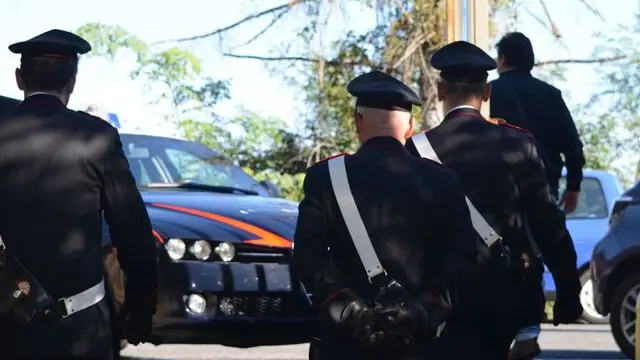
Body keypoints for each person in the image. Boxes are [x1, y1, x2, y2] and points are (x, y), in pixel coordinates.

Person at [405, 40, 583, 360]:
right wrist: (568, 291)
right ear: (487, 93)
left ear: (441, 91)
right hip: (503, 295)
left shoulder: (417, 150)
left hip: (439, 299)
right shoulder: (518, 144)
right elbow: (547, 224)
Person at [294, 70, 480, 360]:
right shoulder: (443, 180)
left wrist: (346, 308)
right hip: (419, 343)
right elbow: (462, 258)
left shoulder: (326, 176)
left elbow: (309, 256)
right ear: (410, 128)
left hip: (347, 343)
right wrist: (423, 310)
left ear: (357, 122)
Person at [0, 29, 158, 360]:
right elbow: (132, 231)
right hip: (79, 326)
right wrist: (141, 305)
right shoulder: (97, 137)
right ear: (72, 81)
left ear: (19, 78)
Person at [489, 32, 585, 214]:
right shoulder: (552, 95)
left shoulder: (489, 94)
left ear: (502, 60)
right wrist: (573, 187)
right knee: (545, 241)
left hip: (500, 194)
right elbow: (573, 147)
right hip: (545, 191)